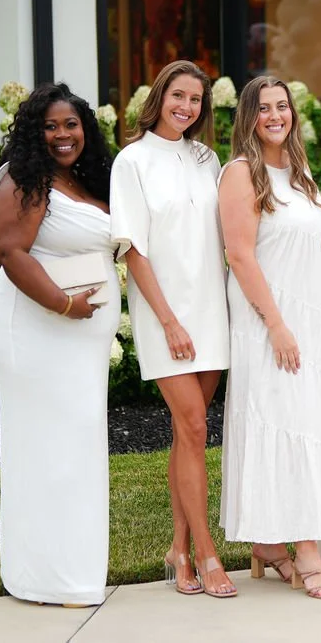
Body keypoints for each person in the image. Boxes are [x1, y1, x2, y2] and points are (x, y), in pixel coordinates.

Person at [0, 83, 118, 606]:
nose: (63, 135)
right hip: (36, 333)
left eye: (71, 124)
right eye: (51, 126)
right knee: (44, 451)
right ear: (34, 132)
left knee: (77, 451)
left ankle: (72, 573)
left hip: (79, 343)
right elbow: (9, 250)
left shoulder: (81, 178)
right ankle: (47, 578)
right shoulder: (27, 177)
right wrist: (64, 306)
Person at [218, 75, 321, 599]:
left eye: (282, 106)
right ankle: (307, 551)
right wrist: (275, 324)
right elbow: (240, 255)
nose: (275, 116)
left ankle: (269, 545)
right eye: (263, 108)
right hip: (270, 321)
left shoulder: (300, 173)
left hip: (313, 321)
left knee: (308, 425)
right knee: (287, 424)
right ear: (248, 117)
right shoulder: (240, 173)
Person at [110, 60, 234, 598]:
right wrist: (167, 321)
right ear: (159, 96)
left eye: (196, 100)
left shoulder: (206, 158)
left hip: (212, 308)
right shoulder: (131, 161)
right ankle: (206, 554)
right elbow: (133, 248)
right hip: (167, 314)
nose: (186, 107)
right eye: (178, 96)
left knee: (190, 434)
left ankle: (178, 549)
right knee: (194, 428)